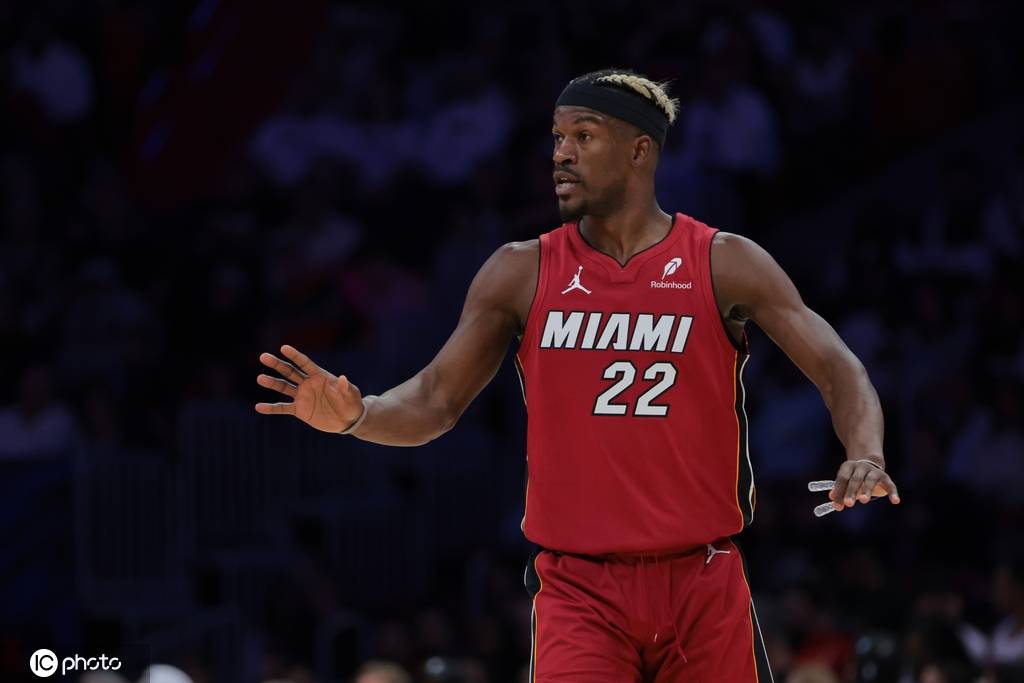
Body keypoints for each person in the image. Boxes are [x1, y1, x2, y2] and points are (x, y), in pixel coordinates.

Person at [255, 68, 901, 681]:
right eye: (557, 137)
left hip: (702, 579)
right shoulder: (520, 270)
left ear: (640, 150)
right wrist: (360, 414)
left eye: (583, 136)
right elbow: (433, 398)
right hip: (580, 588)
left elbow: (838, 367)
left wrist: (866, 451)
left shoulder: (722, 261)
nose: (561, 154)